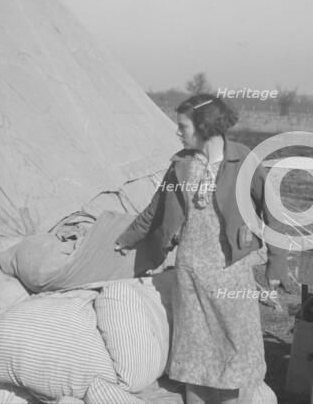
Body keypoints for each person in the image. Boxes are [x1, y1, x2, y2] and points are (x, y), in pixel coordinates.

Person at [114, 94, 289, 404]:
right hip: (190, 275)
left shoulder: (244, 161)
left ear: (204, 126)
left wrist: (277, 266)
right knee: (195, 359)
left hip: (231, 277)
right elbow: (154, 212)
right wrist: (124, 240)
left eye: (183, 125)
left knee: (232, 356)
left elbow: (274, 214)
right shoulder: (181, 165)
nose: (178, 132)